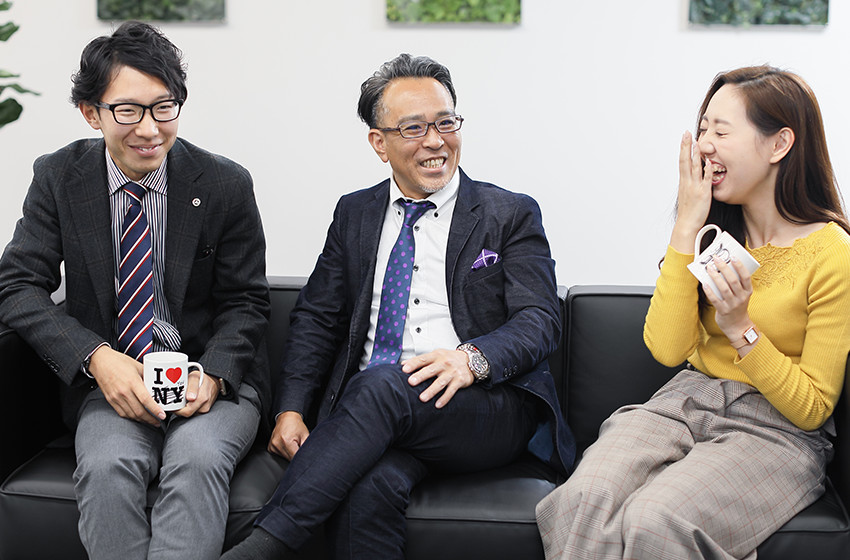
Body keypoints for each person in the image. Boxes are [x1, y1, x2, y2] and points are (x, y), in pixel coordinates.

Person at [222, 53, 575, 559]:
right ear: (379, 142)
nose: (435, 141)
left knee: (381, 385)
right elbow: (317, 318)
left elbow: (539, 320)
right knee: (370, 485)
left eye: (445, 123)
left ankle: (259, 549)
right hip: (376, 415)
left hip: (482, 405)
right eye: (413, 128)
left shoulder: (509, 213)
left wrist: (471, 359)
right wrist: (291, 410)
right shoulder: (355, 213)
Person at [536, 65, 850, 559]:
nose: (703, 145)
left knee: (657, 520)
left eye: (721, 132)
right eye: (702, 129)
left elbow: (812, 408)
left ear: (779, 144)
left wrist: (740, 328)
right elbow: (668, 349)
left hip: (777, 430)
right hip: (684, 400)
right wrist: (686, 223)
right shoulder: (711, 232)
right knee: (582, 499)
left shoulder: (833, 253)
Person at [0, 22, 271, 560]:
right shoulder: (59, 177)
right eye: (127, 110)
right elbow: (17, 284)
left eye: (163, 107)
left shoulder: (224, 183)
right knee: (107, 466)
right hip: (110, 385)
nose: (149, 129)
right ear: (91, 113)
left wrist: (214, 374)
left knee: (196, 461)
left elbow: (246, 300)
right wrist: (97, 358)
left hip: (209, 379)